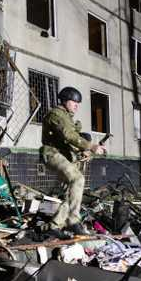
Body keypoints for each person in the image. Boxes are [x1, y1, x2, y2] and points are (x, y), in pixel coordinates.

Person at [41, 86, 106, 236]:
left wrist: (85, 150)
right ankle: (73, 221)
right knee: (78, 179)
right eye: (74, 102)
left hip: (64, 155)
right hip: (52, 154)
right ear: (65, 101)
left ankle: (54, 226)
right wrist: (91, 145)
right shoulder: (56, 114)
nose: (77, 105)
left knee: (70, 192)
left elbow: (71, 140)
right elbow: (68, 135)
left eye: (78, 103)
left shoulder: (68, 118)